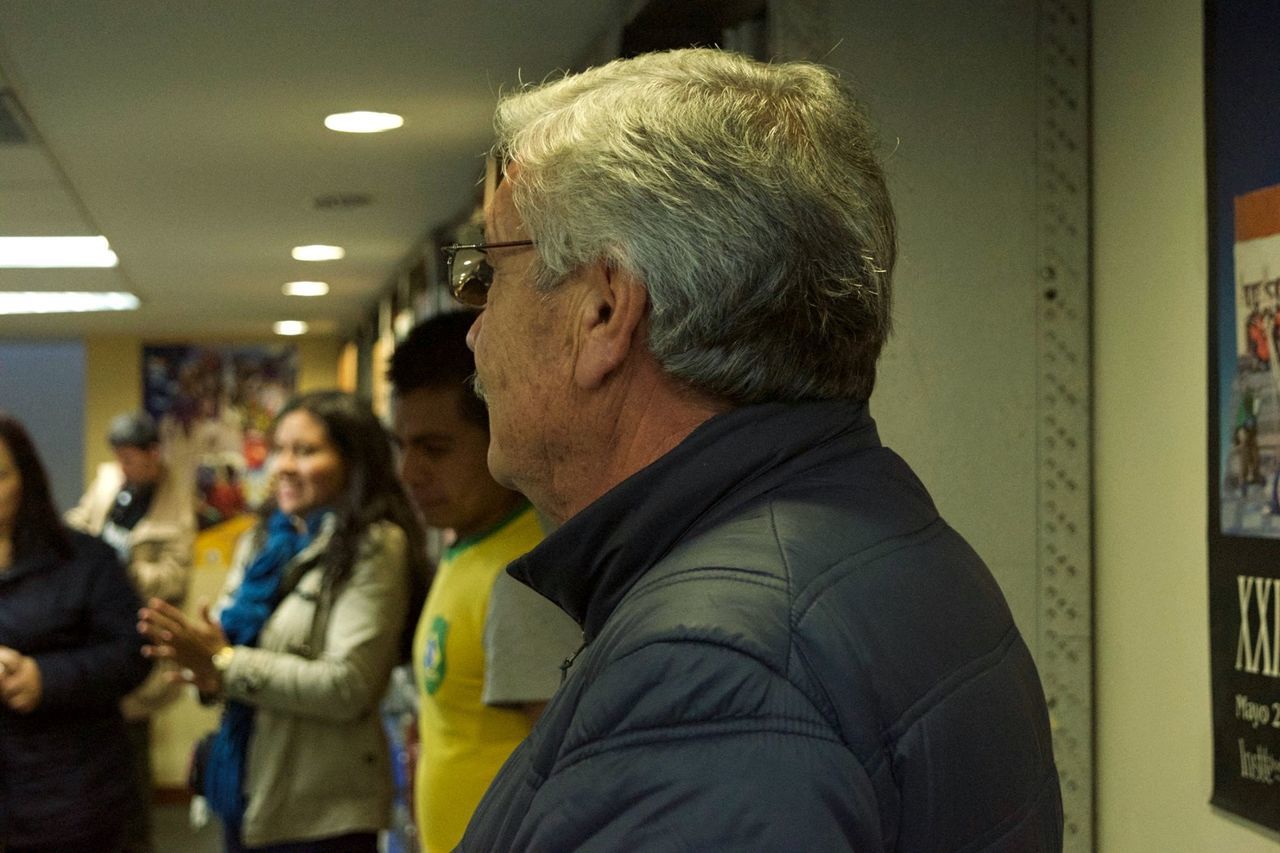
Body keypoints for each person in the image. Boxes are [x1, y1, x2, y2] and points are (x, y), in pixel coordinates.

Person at [450, 48, 1064, 851]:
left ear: (604, 310)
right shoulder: (882, 537)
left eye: (489, 271)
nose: (473, 326)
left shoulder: (707, 675)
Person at [138, 391, 430, 852]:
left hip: (321, 813)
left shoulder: (375, 546)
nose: (283, 466)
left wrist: (223, 664)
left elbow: (349, 685)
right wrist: (203, 665)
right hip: (250, 791)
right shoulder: (262, 543)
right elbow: (227, 660)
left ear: (354, 461)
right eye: (279, 449)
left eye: (306, 451)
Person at [387, 311, 581, 852]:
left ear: (502, 429)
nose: (409, 472)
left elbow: (563, 781)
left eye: (435, 448)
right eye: (402, 446)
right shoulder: (467, 543)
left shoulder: (525, 576)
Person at [0, 412, 151, 852]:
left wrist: (44, 678)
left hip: (71, 792)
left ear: (25, 479)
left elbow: (133, 652)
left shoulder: (83, 560)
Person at [65, 410, 196, 853]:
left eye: (131, 458)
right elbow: (79, 525)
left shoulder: (177, 500)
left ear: (153, 454)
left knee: (133, 755)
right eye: (117, 457)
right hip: (95, 631)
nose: (123, 466)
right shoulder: (108, 481)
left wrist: (126, 569)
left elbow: (176, 577)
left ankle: (137, 843)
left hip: (140, 639)